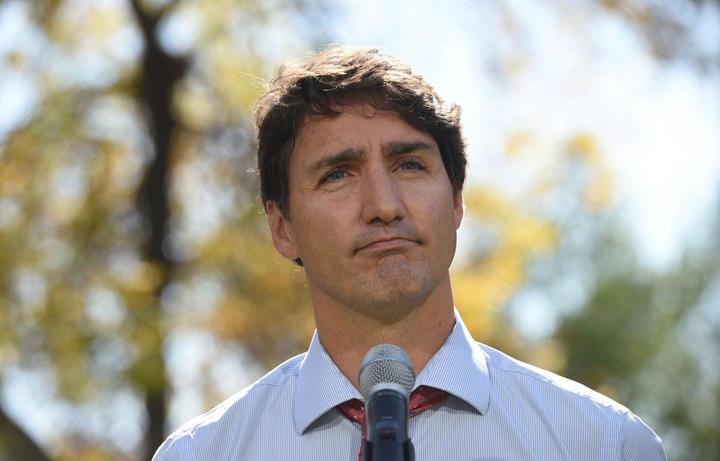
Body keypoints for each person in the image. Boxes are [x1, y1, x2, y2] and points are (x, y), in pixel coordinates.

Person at [152, 45, 667, 460]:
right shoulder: (202, 454)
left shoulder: (603, 444)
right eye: (337, 174)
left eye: (410, 165)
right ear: (283, 228)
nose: (384, 206)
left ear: (457, 200)